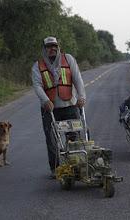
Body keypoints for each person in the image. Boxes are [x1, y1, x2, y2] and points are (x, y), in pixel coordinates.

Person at [31, 36, 86, 179]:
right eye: (49, 46)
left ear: (58, 47)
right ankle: (55, 168)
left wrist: (81, 97)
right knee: (52, 139)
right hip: (50, 109)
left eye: (54, 46)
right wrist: (45, 100)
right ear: (44, 49)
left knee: (73, 136)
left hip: (69, 105)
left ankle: (76, 165)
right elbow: (37, 85)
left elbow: (77, 78)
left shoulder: (68, 59)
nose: (52, 49)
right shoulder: (38, 66)